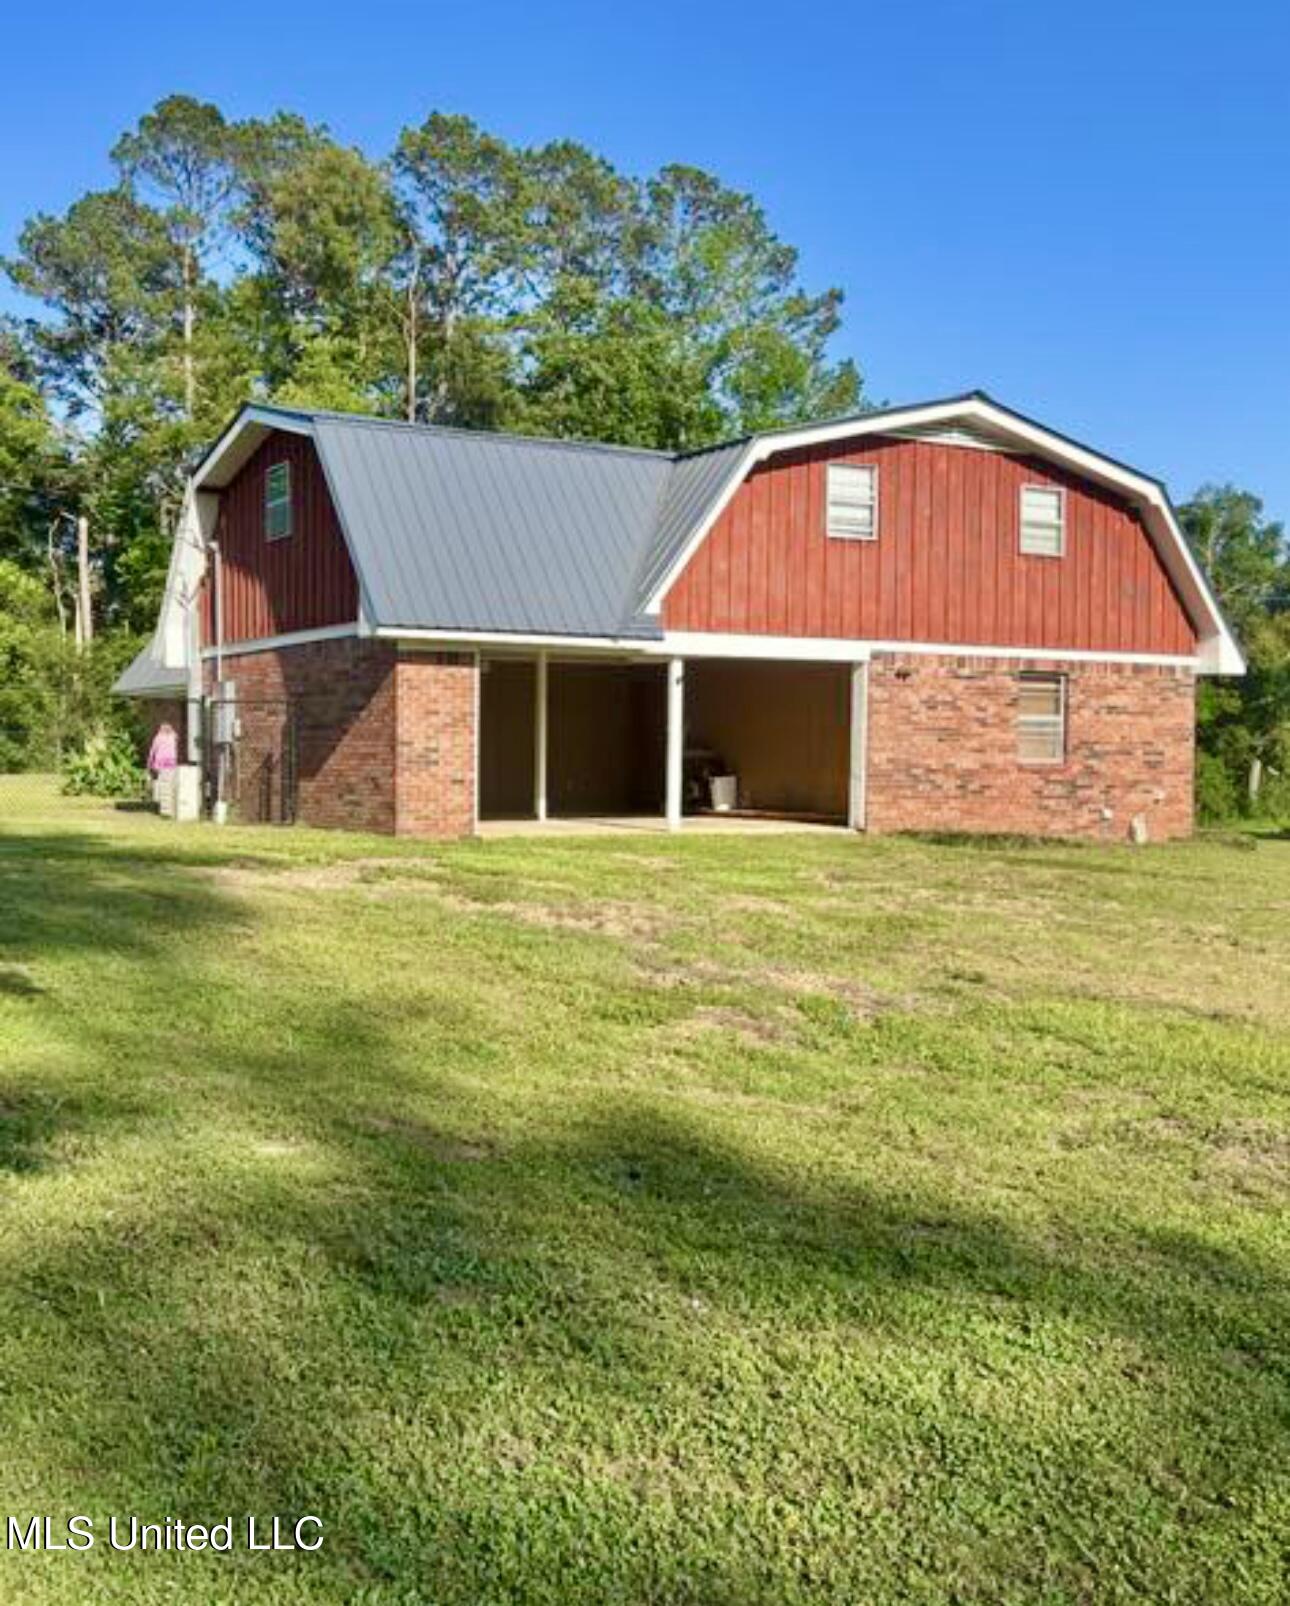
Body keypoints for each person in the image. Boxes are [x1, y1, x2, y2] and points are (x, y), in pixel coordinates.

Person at [147, 720, 179, 806]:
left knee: (160, 780)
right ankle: (169, 799)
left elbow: (153, 750)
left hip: (160, 761)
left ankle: (160, 799)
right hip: (171, 761)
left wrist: (149, 762)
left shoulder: (158, 737)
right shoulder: (173, 737)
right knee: (169, 780)